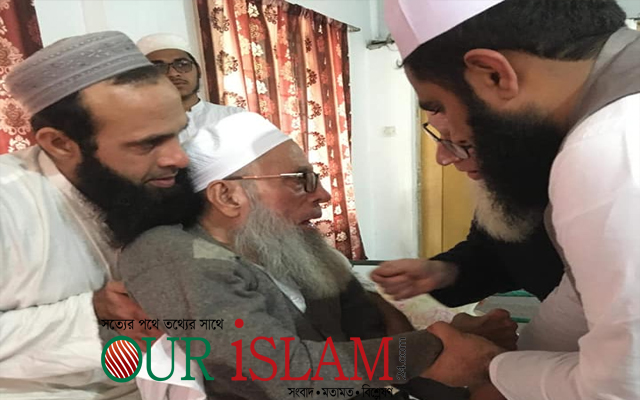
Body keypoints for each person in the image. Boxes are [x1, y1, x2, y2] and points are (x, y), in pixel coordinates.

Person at [118, 112, 517, 400]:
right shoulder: (170, 253)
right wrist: (432, 349)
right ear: (228, 195)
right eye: (301, 180)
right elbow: (279, 371)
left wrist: (466, 358)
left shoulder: (296, 248)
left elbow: (371, 336)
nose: (323, 194)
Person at [384, 0, 640, 399]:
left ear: (493, 74)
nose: (448, 148)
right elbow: (578, 293)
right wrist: (515, 361)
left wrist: (490, 366)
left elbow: (622, 388)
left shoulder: (610, 146)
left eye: (441, 106)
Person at [0, 31, 200, 399]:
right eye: (148, 143)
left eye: (178, 133)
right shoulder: (8, 201)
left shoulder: (160, 182)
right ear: (60, 144)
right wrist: (94, 311)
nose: (179, 158)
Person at [371, 110, 564, 306]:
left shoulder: (573, 190)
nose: (443, 158)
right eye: (440, 136)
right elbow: (493, 255)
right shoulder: (503, 187)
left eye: (463, 142)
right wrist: (443, 271)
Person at [136, 33, 244, 143]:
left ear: (198, 70)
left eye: (182, 64)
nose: (173, 73)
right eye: (159, 68)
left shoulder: (235, 118)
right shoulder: (134, 129)